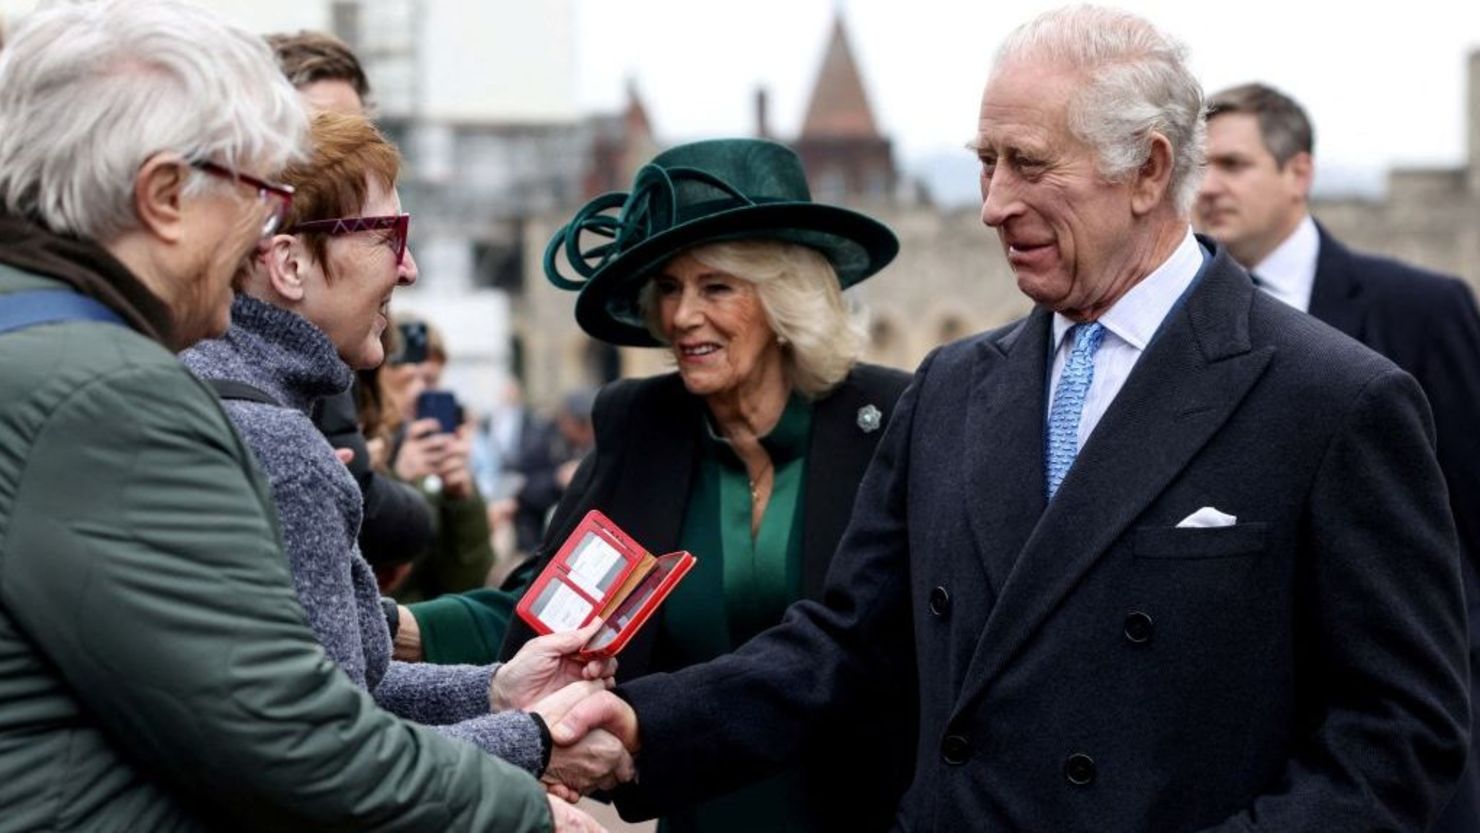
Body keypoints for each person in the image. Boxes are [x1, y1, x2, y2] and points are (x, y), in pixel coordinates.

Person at [555, 8, 1470, 831]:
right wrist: (644, 723)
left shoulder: (1331, 399)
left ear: (1148, 169)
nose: (993, 205)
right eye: (985, 163)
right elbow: (846, 642)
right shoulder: (952, 387)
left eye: (1029, 164)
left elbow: (1401, 731)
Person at [0, 1, 597, 830]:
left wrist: (494, 698)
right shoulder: (112, 394)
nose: (263, 229)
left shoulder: (43, 345)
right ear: (166, 196)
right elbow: (289, 740)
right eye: (255, 192)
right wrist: (523, 795)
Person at [417, 137, 915, 832]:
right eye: (670, 288)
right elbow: (549, 616)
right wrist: (395, 630)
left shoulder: (892, 421)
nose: (683, 316)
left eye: (716, 286)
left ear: (783, 299)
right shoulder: (643, 427)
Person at [179, 109, 629, 799]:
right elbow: (329, 755)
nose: (410, 268)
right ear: (290, 263)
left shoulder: (215, 389)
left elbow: (354, 688)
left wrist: (499, 689)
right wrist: (537, 741)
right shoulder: (280, 444)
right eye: (390, 235)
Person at [1197, 81, 1480, 832]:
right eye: (1197, 165)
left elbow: (1471, 509)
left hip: (1395, 716)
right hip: (1224, 731)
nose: (1208, 186)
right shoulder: (1162, 328)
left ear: (1299, 173)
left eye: (1232, 163)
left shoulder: (1421, 309)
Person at [267, 29, 437, 580]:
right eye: (313, 135)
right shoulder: (273, 362)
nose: (406, 268)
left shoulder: (354, 330)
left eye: (352, 132)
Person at [382, 315, 500, 601]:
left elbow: (466, 582)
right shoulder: (359, 445)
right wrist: (398, 482)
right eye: (409, 378)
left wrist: (463, 500)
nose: (419, 391)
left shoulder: (429, 453)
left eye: (431, 380)